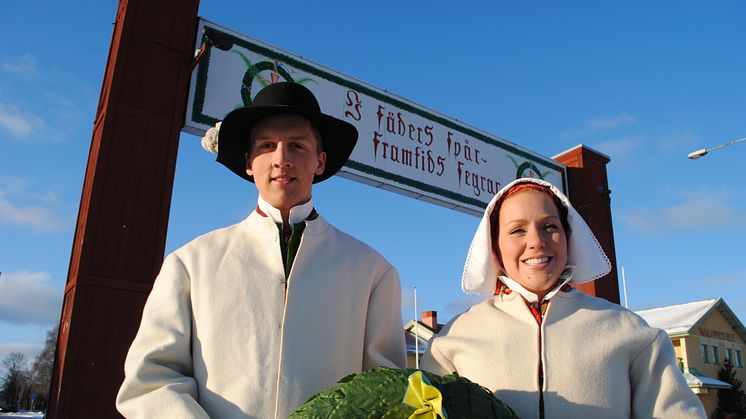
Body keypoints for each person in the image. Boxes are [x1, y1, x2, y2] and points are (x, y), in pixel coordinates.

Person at [116, 82, 406, 418]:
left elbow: (387, 392)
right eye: (267, 145)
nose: (282, 159)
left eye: (297, 145)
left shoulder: (371, 272)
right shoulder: (192, 263)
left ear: (320, 161)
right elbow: (151, 380)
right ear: (249, 162)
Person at [421, 177, 706, 419]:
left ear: (569, 238)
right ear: (494, 246)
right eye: (517, 230)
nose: (536, 241)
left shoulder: (631, 333)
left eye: (550, 227)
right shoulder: (452, 341)